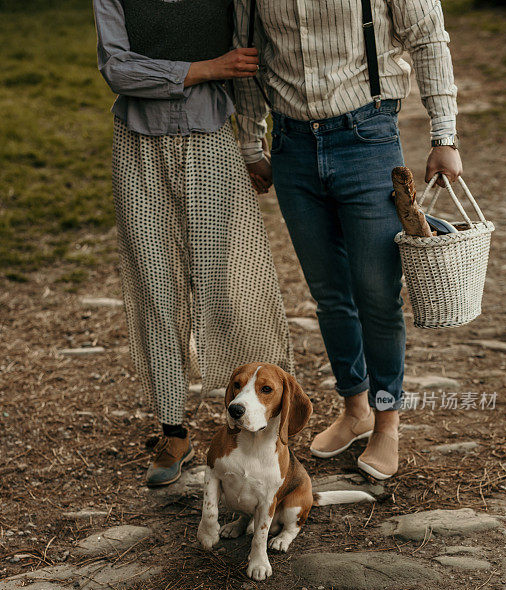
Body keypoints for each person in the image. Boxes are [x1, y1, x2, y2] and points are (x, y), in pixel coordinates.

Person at [233, 0, 462, 479]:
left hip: (367, 137)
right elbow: (247, 52)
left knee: (377, 293)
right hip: (292, 146)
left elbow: (428, 36)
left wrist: (445, 136)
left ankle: (386, 421)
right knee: (331, 295)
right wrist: (252, 142)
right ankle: (354, 407)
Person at [93, 0, 293, 488]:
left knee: (229, 289)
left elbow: (245, 69)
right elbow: (118, 69)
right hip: (138, 145)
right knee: (155, 291)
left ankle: (262, 423)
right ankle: (173, 430)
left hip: (211, 143)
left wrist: (251, 146)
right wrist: (207, 68)